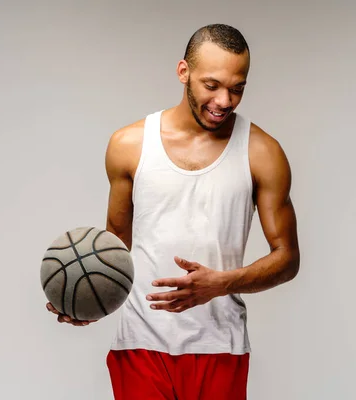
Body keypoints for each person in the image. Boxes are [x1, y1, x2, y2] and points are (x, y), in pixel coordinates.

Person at [46, 23, 300, 399]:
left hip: (220, 345)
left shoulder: (262, 152)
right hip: (140, 342)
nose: (224, 101)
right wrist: (89, 298)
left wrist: (221, 284)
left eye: (237, 88)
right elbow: (115, 248)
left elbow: (288, 259)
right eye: (211, 85)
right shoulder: (129, 145)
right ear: (184, 72)